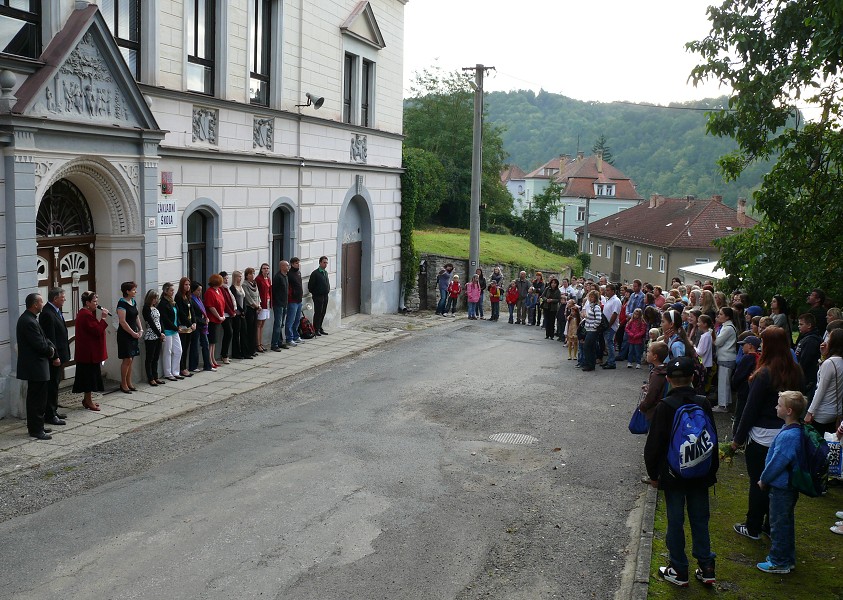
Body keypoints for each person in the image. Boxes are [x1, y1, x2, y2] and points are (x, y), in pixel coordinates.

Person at [645, 356, 719, 588]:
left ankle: (679, 569)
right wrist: (711, 470)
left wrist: (654, 475)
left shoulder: (666, 406)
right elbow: (712, 438)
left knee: (675, 521)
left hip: (674, 474)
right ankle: (707, 567)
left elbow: (654, 445)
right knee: (700, 519)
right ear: (694, 377)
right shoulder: (703, 403)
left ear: (668, 379)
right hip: (700, 472)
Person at [731, 326, 804, 541]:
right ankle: (770, 525)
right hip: (788, 433)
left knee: (759, 482)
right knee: (779, 482)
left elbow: (750, 409)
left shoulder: (764, 373)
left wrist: (737, 439)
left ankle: (752, 526)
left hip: (762, 436)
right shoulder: (796, 371)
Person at [756, 391, 808, 574]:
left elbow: (777, 462)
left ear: (788, 411)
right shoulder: (795, 430)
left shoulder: (788, 436)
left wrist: (764, 479)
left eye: (779, 405)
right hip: (787, 486)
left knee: (778, 525)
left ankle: (779, 562)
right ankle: (787, 558)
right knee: (785, 522)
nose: (775, 407)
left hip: (781, 487)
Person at [16, 293, 58, 439]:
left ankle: (38, 426)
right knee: (36, 400)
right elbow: (39, 344)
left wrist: (51, 349)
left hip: (38, 366)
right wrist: (51, 352)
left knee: (40, 398)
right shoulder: (28, 321)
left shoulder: (31, 319)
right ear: (35, 304)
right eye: (41, 302)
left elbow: (44, 338)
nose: (43, 304)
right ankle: (35, 430)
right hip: (35, 366)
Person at [73, 291, 110, 411]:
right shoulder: (85, 315)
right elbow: (97, 331)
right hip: (88, 354)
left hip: (89, 353)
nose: (96, 304)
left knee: (90, 377)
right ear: (87, 302)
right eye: (94, 302)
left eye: (97, 302)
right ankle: (88, 401)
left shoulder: (87, 313)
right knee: (88, 379)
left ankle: (87, 400)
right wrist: (103, 318)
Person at [38, 287, 69, 425]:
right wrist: (55, 356)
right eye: (63, 297)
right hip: (54, 357)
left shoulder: (56, 311)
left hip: (61, 354)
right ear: (55, 298)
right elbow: (50, 338)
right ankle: (50, 414)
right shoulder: (47, 314)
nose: (65, 299)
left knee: (56, 384)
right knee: (52, 385)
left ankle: (53, 410)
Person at [805, 328, 843, 434]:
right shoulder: (839, 361)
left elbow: (821, 390)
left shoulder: (830, 363)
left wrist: (809, 412)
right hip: (836, 410)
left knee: (817, 444)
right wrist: (824, 356)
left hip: (822, 411)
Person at [116, 281, 143, 393]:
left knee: (131, 359)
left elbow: (136, 317)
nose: (135, 291)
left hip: (133, 333)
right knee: (127, 359)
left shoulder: (133, 301)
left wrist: (140, 329)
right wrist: (132, 333)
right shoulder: (122, 303)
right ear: (127, 291)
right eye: (133, 290)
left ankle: (129, 381)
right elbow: (122, 321)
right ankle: (123, 383)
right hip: (125, 334)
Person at [731, 335, 761, 434]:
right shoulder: (759, 357)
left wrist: (735, 385)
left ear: (750, 346)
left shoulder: (747, 358)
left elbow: (738, 376)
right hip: (753, 390)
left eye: (744, 345)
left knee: (739, 416)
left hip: (744, 391)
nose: (742, 347)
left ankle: (736, 438)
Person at [712, 307, 739, 412]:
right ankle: (726, 402)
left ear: (727, 317)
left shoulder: (728, 328)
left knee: (723, 382)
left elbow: (718, 342)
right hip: (725, 357)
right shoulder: (726, 326)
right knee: (725, 381)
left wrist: (712, 334)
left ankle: (722, 405)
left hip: (726, 357)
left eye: (721, 314)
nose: (718, 316)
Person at [159, 282, 184, 381]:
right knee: (167, 352)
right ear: (166, 291)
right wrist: (175, 327)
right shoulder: (163, 303)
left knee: (178, 351)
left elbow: (177, 314)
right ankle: (168, 373)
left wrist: (178, 325)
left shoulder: (172, 301)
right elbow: (165, 319)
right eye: (171, 290)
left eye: (173, 290)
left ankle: (175, 371)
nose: (173, 292)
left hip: (174, 330)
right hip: (168, 330)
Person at [141, 289, 166, 387]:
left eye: (156, 298)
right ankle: (150, 378)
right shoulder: (146, 308)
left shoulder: (156, 308)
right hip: (151, 335)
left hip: (159, 335)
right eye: (154, 298)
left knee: (156, 357)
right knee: (150, 358)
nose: (155, 300)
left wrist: (162, 332)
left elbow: (160, 321)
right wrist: (159, 334)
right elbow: (151, 323)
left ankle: (156, 376)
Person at [639, 342, 669, 422]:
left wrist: (643, 406)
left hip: (654, 413)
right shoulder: (663, 370)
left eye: (648, 351)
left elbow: (652, 394)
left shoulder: (657, 374)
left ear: (655, 356)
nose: (647, 354)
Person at [795, 313, 822, 401]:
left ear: (809, 325)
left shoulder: (811, 340)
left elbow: (805, 360)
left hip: (807, 378)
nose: (799, 326)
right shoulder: (805, 338)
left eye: (801, 324)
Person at [190, 282, 215, 371]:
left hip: (203, 325)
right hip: (197, 325)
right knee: (195, 345)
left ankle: (207, 365)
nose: (199, 292)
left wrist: (206, 319)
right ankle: (193, 366)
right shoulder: (191, 300)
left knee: (205, 344)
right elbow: (193, 315)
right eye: (198, 290)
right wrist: (203, 320)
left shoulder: (199, 299)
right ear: (193, 290)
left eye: (200, 290)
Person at [175, 277, 196, 377]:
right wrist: (189, 323)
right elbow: (181, 313)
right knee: (182, 348)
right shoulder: (178, 297)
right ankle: (181, 368)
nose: (188, 287)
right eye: (186, 285)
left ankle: (184, 366)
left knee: (186, 347)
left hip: (190, 327)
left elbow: (192, 310)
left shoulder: (188, 296)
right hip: (183, 326)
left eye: (189, 285)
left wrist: (194, 322)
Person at [204, 274, 226, 368]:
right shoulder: (210, 292)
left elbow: (222, 303)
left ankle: (213, 359)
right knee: (211, 341)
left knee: (214, 342)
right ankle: (210, 360)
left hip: (218, 319)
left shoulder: (219, 290)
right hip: (213, 320)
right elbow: (211, 307)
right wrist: (219, 316)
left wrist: (223, 315)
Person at [230, 271, 250, 359]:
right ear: (235, 277)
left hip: (242, 313)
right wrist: (241, 311)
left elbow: (244, 299)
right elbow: (234, 301)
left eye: (241, 277)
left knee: (244, 332)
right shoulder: (232, 288)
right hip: (237, 313)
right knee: (236, 333)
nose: (240, 278)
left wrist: (244, 310)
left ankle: (245, 352)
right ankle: (236, 353)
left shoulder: (241, 287)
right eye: (238, 277)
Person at [581, 290, 603, 372]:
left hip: (592, 330)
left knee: (587, 347)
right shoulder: (591, 306)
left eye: (592, 297)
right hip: (588, 329)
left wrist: (594, 326)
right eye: (589, 296)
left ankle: (589, 364)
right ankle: (590, 364)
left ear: (595, 298)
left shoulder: (596, 307)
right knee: (590, 348)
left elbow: (598, 319)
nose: (590, 298)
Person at [308, 256, 330, 335]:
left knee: (323, 312)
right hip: (318, 296)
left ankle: (320, 327)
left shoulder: (325, 272)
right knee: (318, 312)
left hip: (325, 295)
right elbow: (310, 286)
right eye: (324, 262)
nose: (325, 264)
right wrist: (316, 292)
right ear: (320, 263)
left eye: (326, 263)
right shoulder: (315, 273)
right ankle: (315, 329)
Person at [601, 284, 622, 369]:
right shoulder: (609, 299)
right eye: (606, 290)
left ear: (613, 291)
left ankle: (611, 362)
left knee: (610, 344)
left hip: (611, 326)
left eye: (608, 290)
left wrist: (609, 325)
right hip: (606, 324)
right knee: (607, 344)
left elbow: (615, 313)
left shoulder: (616, 300)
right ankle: (609, 360)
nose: (606, 292)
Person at [217, 271, 236, 363]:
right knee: (229, 333)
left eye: (227, 278)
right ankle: (224, 355)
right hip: (225, 314)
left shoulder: (227, 288)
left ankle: (225, 354)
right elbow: (225, 303)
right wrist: (231, 312)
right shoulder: (221, 289)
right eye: (225, 279)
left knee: (229, 333)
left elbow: (231, 300)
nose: (226, 280)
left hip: (229, 313)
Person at [271, 260, 290, 350]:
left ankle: (280, 341)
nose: (288, 267)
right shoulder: (278, 277)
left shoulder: (285, 276)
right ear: (282, 267)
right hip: (278, 304)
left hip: (284, 303)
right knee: (277, 324)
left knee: (282, 324)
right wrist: (278, 301)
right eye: (287, 266)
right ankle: (274, 344)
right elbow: (274, 291)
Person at [285, 257, 304, 346]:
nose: (298, 265)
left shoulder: (298, 273)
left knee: (297, 320)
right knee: (290, 320)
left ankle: (296, 336)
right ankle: (289, 338)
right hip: (292, 300)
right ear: (292, 264)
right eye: (296, 263)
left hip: (299, 300)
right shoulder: (290, 274)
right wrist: (291, 295)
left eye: (298, 263)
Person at [242, 267, 261, 355]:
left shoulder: (254, 283)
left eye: (253, 273)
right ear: (246, 275)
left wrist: (259, 305)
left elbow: (258, 295)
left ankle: (253, 349)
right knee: (250, 329)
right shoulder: (245, 285)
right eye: (250, 274)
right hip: (250, 308)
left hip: (256, 308)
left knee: (254, 329)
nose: (252, 275)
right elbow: (248, 298)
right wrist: (256, 306)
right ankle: (249, 350)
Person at [255, 263, 272, 351]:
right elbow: (257, 292)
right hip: (261, 303)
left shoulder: (268, 279)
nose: (266, 270)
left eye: (267, 268)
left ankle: (261, 343)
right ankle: (257, 344)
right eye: (264, 268)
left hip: (267, 303)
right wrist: (258, 304)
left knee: (263, 324)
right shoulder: (258, 279)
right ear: (261, 270)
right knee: (259, 324)